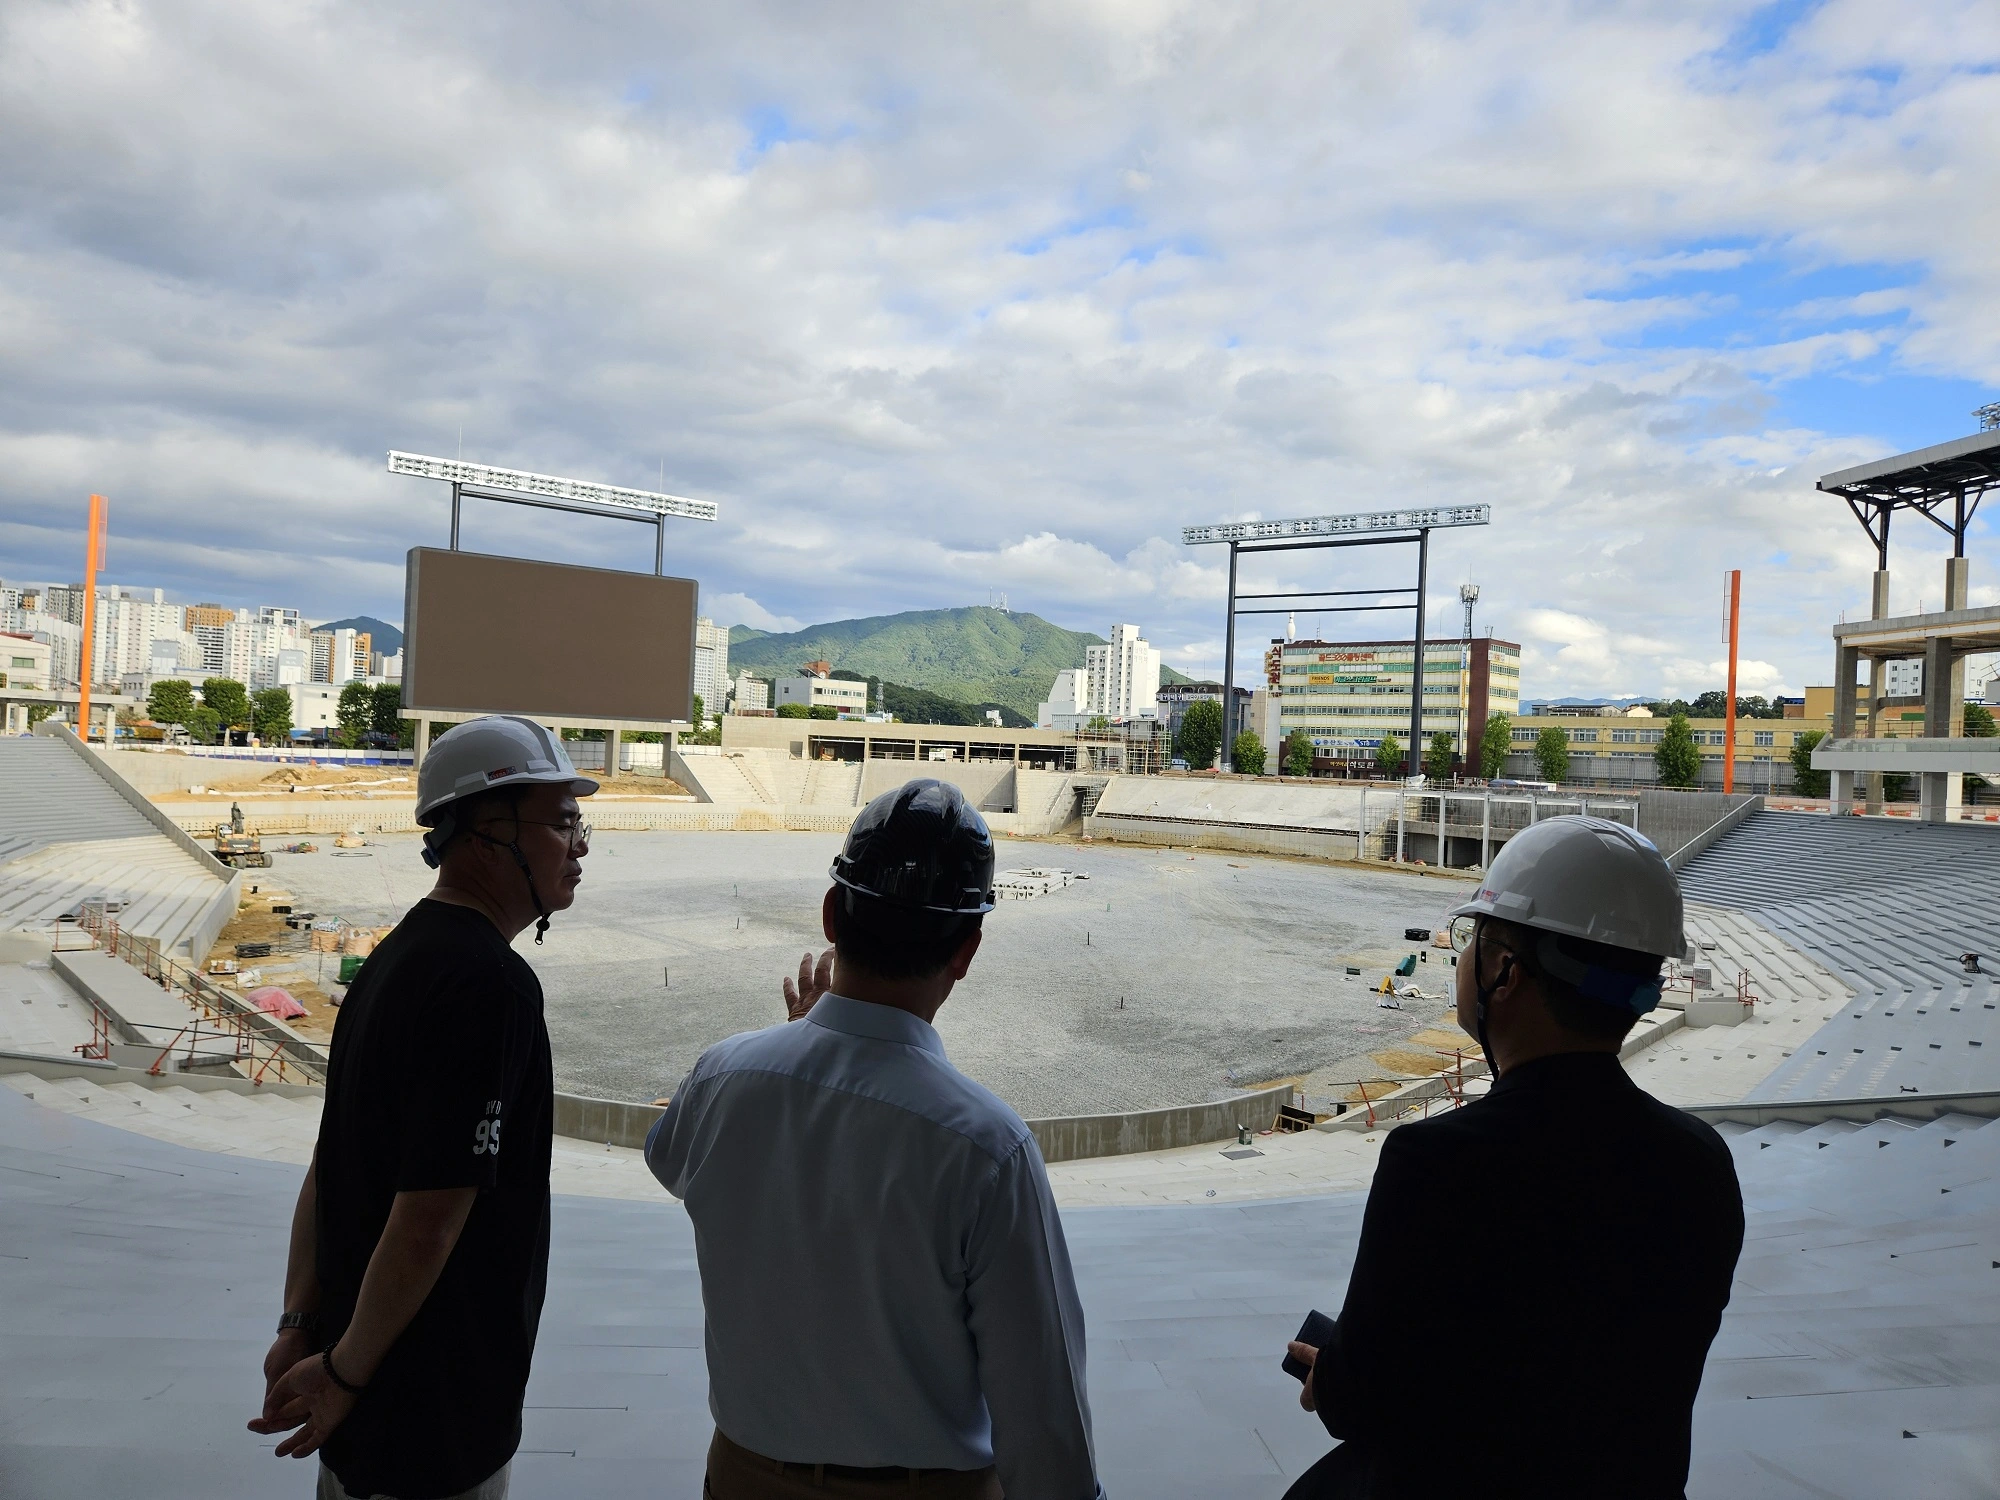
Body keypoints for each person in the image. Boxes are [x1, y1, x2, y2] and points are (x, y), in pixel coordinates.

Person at [647, 779, 1104, 1500]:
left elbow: (671, 1161)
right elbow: (1043, 1411)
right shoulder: (988, 1148)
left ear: (833, 913)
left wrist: (799, 1053)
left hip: (742, 1476)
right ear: (967, 951)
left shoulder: (721, 1078)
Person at [1284, 816, 1744, 1499]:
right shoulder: (1699, 1161)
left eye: (1474, 941)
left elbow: (1363, 1403)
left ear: (1506, 971)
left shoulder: (1439, 1163)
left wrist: (1335, 1376)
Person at [249, 715, 597, 1499]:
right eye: (562, 821)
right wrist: (341, 1371)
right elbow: (431, 1217)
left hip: (358, 1384)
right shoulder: (490, 987)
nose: (580, 843)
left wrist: (303, 1326)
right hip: (428, 1407)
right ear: (485, 835)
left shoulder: (393, 959)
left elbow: (328, 1164)